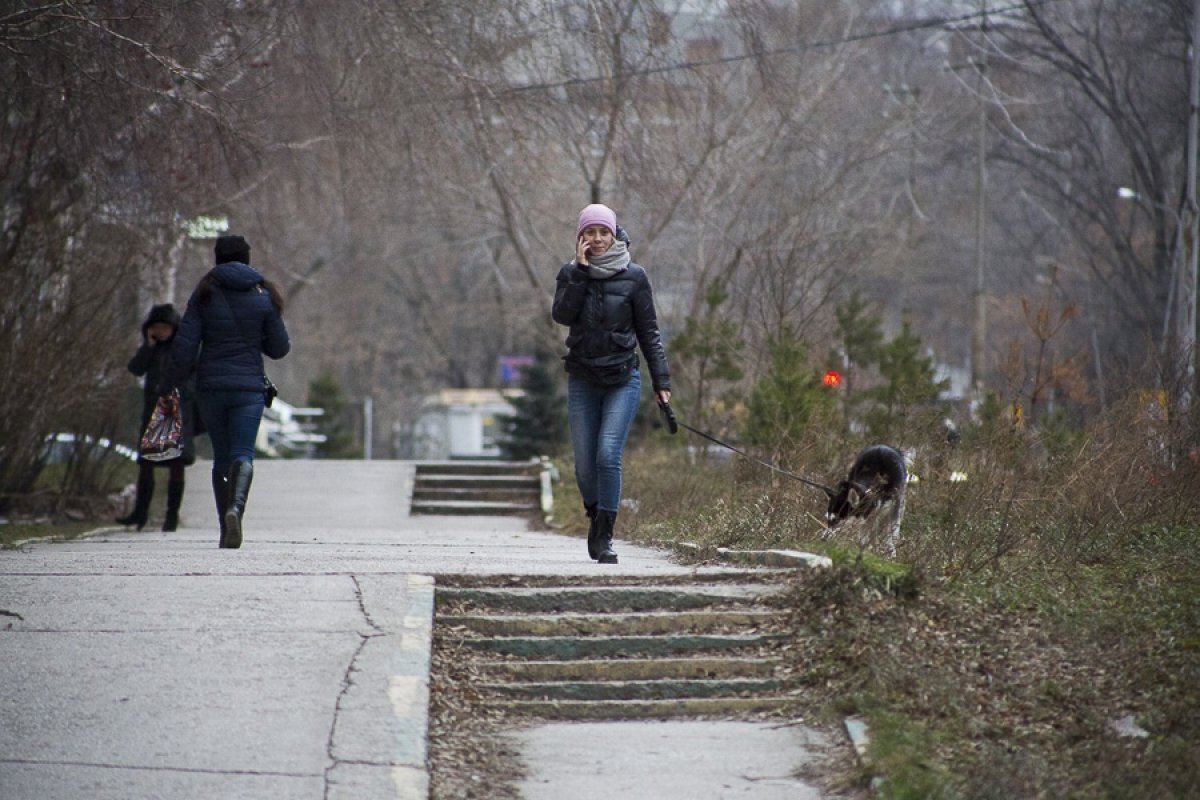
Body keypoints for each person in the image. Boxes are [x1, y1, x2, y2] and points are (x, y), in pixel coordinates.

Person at [552, 203, 671, 564]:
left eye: (604, 232)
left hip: (622, 378)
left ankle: (605, 534)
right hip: (583, 379)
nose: (598, 239)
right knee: (584, 466)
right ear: (581, 238)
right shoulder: (570, 273)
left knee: (607, 454)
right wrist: (581, 273)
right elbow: (562, 315)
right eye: (590, 232)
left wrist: (661, 381)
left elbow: (649, 332)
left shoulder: (635, 276)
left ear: (614, 234)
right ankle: (594, 514)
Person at [166, 234, 290, 549]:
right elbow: (279, 348)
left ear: (217, 258)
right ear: (247, 258)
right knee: (243, 454)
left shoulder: (204, 293)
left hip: (211, 388)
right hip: (248, 389)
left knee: (221, 458)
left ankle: (225, 526)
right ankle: (237, 509)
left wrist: (170, 381)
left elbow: (185, 346)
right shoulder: (264, 295)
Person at [115, 304, 197, 531]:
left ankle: (172, 516)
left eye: (164, 327)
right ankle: (140, 513)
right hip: (153, 410)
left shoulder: (184, 349)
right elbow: (136, 368)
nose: (160, 332)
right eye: (156, 328)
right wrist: (148, 347)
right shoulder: (152, 349)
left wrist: (179, 394)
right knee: (147, 463)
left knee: (176, 463)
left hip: (176, 410)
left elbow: (194, 377)